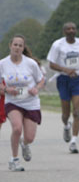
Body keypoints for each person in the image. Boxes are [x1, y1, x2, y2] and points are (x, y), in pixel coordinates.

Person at [0, 34, 45, 171]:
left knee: (30, 137)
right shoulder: (2, 64)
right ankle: (14, 160)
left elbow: (41, 80)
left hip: (30, 102)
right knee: (17, 128)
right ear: (10, 46)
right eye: (15, 45)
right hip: (12, 102)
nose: (17, 48)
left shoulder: (30, 63)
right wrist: (6, 89)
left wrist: (36, 88)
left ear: (23, 47)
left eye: (20, 45)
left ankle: (24, 144)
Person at [46, 22, 79, 154]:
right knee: (65, 114)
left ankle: (73, 142)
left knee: (76, 111)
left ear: (76, 30)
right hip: (63, 80)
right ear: (64, 31)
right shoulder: (57, 45)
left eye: (73, 28)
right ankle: (66, 126)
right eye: (68, 29)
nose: (71, 30)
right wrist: (66, 70)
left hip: (78, 79)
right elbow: (51, 64)